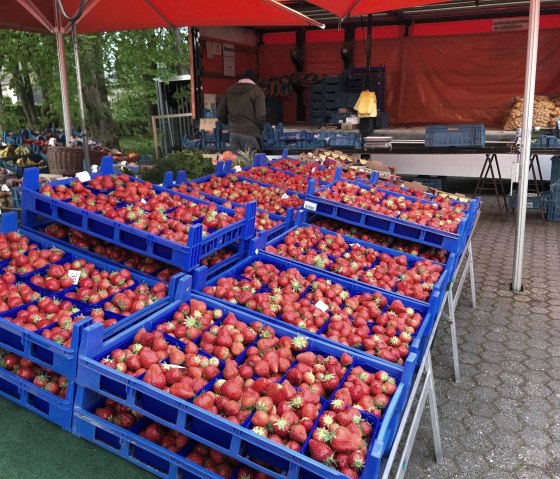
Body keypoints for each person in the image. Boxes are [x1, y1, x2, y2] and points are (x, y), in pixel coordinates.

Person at [217, 70, 266, 155]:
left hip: (233, 134)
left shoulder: (230, 90)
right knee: (253, 165)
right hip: (250, 134)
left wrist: (230, 123)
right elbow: (261, 115)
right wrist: (257, 128)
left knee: (236, 165)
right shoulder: (257, 91)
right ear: (254, 81)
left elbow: (220, 113)